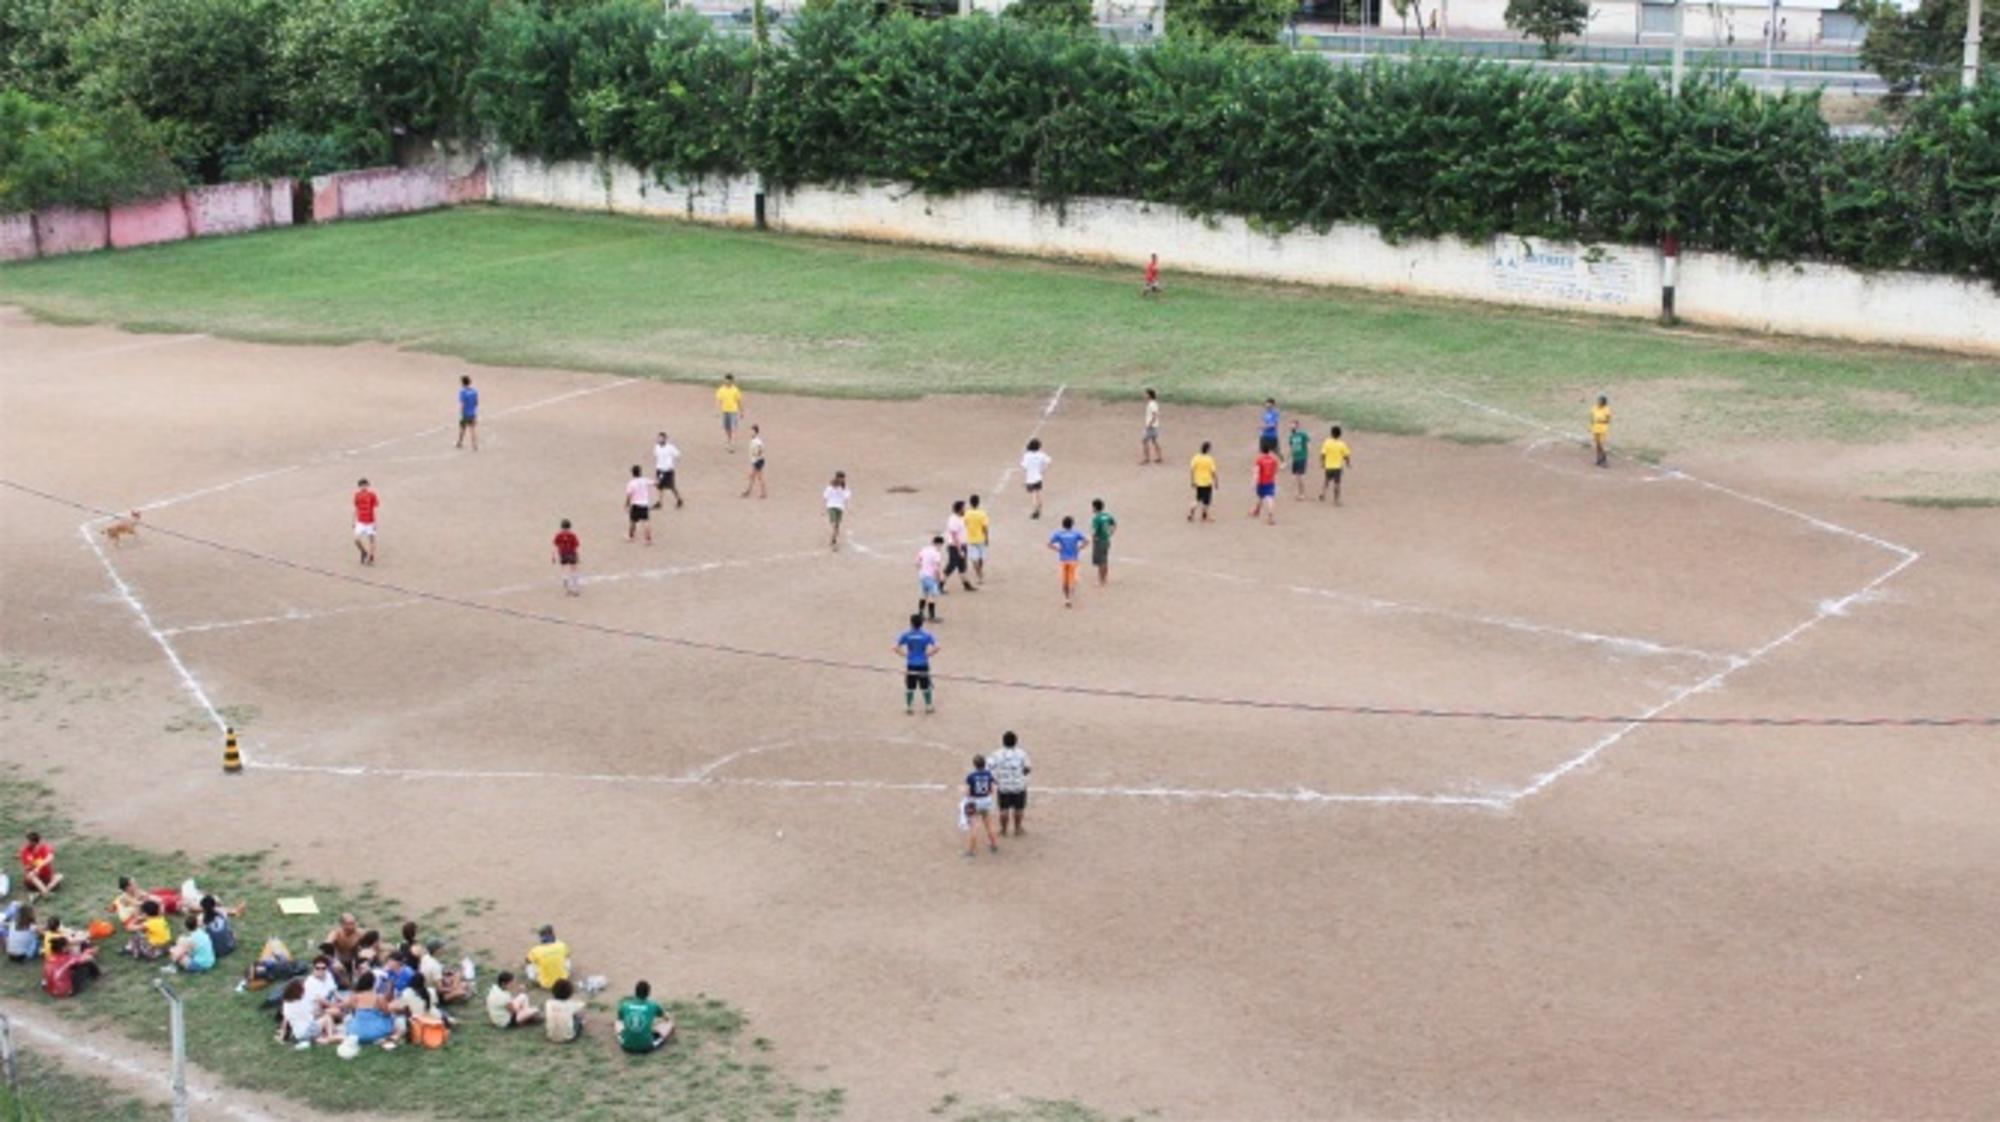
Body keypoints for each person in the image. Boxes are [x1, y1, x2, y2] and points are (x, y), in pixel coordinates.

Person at [280, 977, 344, 1050]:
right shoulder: (300, 1003)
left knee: (320, 1024)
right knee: (327, 1018)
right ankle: (330, 1037)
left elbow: (285, 1020)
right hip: (307, 1030)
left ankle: (319, 1038)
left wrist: (282, 1036)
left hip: (298, 1034)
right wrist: (321, 1010)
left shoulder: (286, 1004)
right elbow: (313, 1015)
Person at [894, 614, 939, 716]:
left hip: (911, 664)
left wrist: (905, 655)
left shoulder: (907, 635)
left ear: (911, 623)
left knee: (910, 686)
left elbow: (896, 647)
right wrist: (928, 654)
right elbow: (937, 647)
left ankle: (909, 707)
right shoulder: (927, 635)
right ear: (922, 623)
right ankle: (928, 706)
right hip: (923, 663)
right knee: (925, 686)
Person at [990, 731, 1032, 838]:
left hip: (1004, 786)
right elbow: (1027, 769)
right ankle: (1017, 829)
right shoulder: (1022, 753)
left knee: (1004, 809)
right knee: (1019, 809)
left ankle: (1003, 830)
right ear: (1015, 742)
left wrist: (995, 779)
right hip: (1018, 785)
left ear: (1003, 741)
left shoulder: (997, 754)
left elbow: (989, 767)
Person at [344, 971, 401, 1049]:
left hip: (356, 1032)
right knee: (391, 1018)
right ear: (374, 984)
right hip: (375, 1032)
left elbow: (351, 1009)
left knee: (350, 1019)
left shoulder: (354, 996)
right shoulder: (378, 997)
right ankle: (392, 1037)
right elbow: (387, 1013)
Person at [617, 980, 674, 1054]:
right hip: (646, 1047)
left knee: (617, 1022)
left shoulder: (625, 1005)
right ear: (648, 993)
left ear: (635, 992)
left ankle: (629, 1037)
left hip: (626, 1046)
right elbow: (667, 1018)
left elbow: (619, 1018)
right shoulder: (653, 1005)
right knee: (669, 1024)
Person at [1047, 516, 1088, 608]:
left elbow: (1049, 543)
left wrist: (1058, 549)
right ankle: (1071, 592)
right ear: (1072, 525)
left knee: (1064, 580)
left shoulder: (1059, 534)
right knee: (1072, 578)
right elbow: (1086, 541)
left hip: (1063, 559)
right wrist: (1079, 548)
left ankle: (1067, 598)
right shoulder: (1076, 533)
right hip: (1073, 559)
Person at [963, 755, 998, 857]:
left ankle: (971, 851)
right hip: (986, 801)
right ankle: (994, 845)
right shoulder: (989, 774)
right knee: (989, 825)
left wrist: (968, 801)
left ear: (974, 765)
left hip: (975, 802)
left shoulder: (971, 776)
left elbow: (968, 792)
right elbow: (992, 790)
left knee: (974, 827)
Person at [525, 925, 570, 990]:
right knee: (566, 957)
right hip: (563, 980)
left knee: (530, 963)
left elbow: (527, 961)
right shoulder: (562, 945)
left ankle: (533, 980)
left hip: (545, 984)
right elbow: (567, 955)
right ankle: (564, 973)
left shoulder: (536, 950)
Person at [944, 502, 975, 593]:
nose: (965, 510)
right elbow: (954, 536)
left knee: (962, 566)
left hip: (961, 545)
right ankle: (940, 584)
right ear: (959, 509)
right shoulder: (954, 520)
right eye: (963, 508)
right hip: (955, 546)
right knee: (951, 566)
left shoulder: (959, 518)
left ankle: (966, 584)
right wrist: (960, 549)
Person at [544, 978, 586, 1043]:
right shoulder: (571, 1005)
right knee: (578, 1019)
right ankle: (581, 1024)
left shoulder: (548, 1003)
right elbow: (582, 1006)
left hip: (550, 1036)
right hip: (568, 1037)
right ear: (570, 993)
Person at [20, 832, 60, 900]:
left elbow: (51, 857)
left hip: (47, 877)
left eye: (28, 841)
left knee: (59, 876)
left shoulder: (44, 847)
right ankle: (46, 893)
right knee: (31, 875)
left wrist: (39, 866)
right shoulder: (25, 851)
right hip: (34, 879)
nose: (27, 844)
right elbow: (27, 867)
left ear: (34, 842)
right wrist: (33, 868)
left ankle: (39, 894)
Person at [1318, 426, 1353, 504]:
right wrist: (1348, 463)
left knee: (1326, 480)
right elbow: (1346, 456)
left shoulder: (1327, 442)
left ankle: (1323, 493)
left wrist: (1322, 463)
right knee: (1337, 483)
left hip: (1328, 466)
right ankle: (1336, 500)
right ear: (1340, 434)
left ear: (1331, 433)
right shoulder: (1342, 444)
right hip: (1337, 467)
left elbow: (1323, 454)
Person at [915, 536, 945, 623]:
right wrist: (939, 577)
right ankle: (931, 616)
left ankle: (920, 613)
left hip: (922, 575)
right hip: (931, 576)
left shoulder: (924, 550)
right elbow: (937, 567)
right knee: (932, 596)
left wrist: (921, 571)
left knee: (924, 594)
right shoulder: (936, 553)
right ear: (939, 544)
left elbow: (917, 562)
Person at [1020, 439, 1051, 520]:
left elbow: (1024, 466)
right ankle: (1040, 509)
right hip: (1038, 477)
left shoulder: (1027, 455)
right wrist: (1043, 469)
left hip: (1030, 478)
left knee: (1034, 495)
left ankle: (1035, 511)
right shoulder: (1041, 455)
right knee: (1038, 494)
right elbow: (1048, 461)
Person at [652, 432, 684, 509]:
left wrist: (672, 464)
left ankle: (679, 499)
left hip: (668, 470)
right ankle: (659, 502)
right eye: (658, 438)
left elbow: (678, 455)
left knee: (671, 486)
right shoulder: (656, 447)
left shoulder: (670, 447)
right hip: (660, 469)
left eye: (661, 438)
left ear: (665, 439)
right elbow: (656, 456)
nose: (659, 439)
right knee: (660, 486)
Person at [1188, 442, 1218, 523]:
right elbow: (1213, 472)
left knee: (1198, 498)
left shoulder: (1196, 458)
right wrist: (1216, 481)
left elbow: (1192, 469)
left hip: (1198, 482)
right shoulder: (1209, 459)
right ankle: (1204, 515)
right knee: (1207, 500)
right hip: (1207, 482)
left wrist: (1192, 480)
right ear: (1208, 450)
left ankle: (1192, 511)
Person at [1089, 499, 1117, 587]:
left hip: (1099, 541)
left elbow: (1094, 531)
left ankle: (1101, 580)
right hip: (1106, 539)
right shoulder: (1107, 516)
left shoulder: (1096, 519)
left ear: (1095, 508)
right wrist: (1111, 533)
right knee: (1104, 559)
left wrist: (1093, 539)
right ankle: (1104, 578)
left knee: (1101, 561)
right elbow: (1114, 524)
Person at [963, 494, 989, 585]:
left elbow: (965, 524)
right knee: (981, 557)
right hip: (981, 538)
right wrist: (987, 538)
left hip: (971, 538)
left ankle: (979, 574)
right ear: (978, 503)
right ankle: (980, 571)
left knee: (973, 559)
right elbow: (985, 527)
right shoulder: (982, 513)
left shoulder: (967, 513)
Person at [625, 465, 654, 546]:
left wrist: (627, 504)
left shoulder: (631, 483)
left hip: (635, 504)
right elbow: (655, 483)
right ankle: (648, 539)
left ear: (632, 473)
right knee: (646, 521)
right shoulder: (645, 480)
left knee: (633, 521)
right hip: (644, 504)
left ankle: (631, 536)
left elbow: (629, 495)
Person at [552, 518, 581, 596]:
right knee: (573, 570)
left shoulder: (559, 535)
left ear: (561, 527)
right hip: (571, 553)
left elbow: (555, 545)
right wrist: (577, 555)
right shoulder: (572, 535)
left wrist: (554, 556)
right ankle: (575, 589)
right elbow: (576, 545)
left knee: (564, 569)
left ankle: (567, 587)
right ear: (570, 527)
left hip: (563, 554)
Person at [352, 479, 379, 566]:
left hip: (370, 521)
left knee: (371, 539)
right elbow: (356, 508)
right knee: (356, 539)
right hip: (360, 521)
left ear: (368, 486)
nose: (363, 487)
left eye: (365, 485)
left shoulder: (372, 495)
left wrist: (375, 522)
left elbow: (375, 508)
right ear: (359, 487)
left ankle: (371, 556)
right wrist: (353, 520)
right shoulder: (357, 495)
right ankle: (364, 552)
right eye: (362, 485)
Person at [1250, 447, 1279, 525]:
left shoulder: (1259, 460)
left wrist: (1253, 482)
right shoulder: (1273, 460)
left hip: (1262, 482)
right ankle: (1258, 511)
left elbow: (1256, 472)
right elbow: (1276, 470)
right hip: (1270, 481)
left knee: (1263, 497)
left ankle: (1267, 515)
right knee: (1265, 497)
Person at [823, 471, 851, 551]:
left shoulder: (844, 487)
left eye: (843, 478)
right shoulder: (830, 487)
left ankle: (834, 539)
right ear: (837, 477)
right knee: (834, 525)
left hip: (840, 508)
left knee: (837, 527)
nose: (842, 479)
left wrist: (848, 507)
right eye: (841, 477)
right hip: (832, 507)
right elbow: (825, 497)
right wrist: (824, 509)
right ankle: (833, 543)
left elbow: (847, 497)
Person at [716, 374, 745, 451]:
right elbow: (719, 401)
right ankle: (729, 440)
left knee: (733, 428)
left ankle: (732, 443)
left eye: (729, 381)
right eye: (726, 380)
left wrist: (742, 411)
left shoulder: (735, 390)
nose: (727, 382)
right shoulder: (721, 390)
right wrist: (718, 411)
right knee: (726, 428)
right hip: (725, 411)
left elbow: (739, 401)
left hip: (733, 411)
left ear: (732, 381)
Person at [741, 425, 767, 498]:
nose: (750, 433)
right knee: (753, 476)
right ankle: (749, 491)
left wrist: (757, 455)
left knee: (759, 477)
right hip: (756, 461)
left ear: (756, 432)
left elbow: (761, 449)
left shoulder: (757, 441)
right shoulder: (754, 440)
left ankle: (763, 493)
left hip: (758, 461)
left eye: (752, 431)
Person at [1287, 420, 1311, 499]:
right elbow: (1291, 448)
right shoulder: (1291, 436)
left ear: (1297, 426)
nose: (1290, 427)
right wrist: (1288, 459)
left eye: (1292, 425)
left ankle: (1302, 494)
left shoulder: (1303, 435)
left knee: (1300, 477)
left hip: (1302, 458)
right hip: (1295, 458)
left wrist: (1307, 456)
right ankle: (1299, 493)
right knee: (1296, 477)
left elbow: (1308, 445)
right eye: (1290, 425)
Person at [456, 375, 479, 451]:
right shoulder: (474, 391)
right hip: (472, 413)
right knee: (472, 429)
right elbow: (476, 403)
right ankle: (474, 445)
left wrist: (461, 412)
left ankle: (459, 442)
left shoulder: (463, 392)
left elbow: (462, 404)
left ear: (463, 383)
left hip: (465, 413)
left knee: (462, 428)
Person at [1140, 388, 1162, 464]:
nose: (1144, 395)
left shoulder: (1151, 404)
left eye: (1146, 394)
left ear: (1149, 395)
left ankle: (1146, 458)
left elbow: (1154, 415)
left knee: (1144, 441)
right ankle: (1159, 457)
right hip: (1154, 426)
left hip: (1151, 426)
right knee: (1154, 441)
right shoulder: (1153, 403)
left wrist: (1149, 424)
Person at [1590, 395, 1612, 468]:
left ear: (1603, 402)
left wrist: (1600, 420)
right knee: (1597, 444)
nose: (1598, 402)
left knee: (1602, 444)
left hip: (1602, 428)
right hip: (1595, 428)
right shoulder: (1594, 408)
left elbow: (1608, 420)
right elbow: (1592, 418)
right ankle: (1598, 459)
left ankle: (1604, 460)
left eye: (1600, 401)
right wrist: (1591, 426)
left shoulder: (1606, 409)